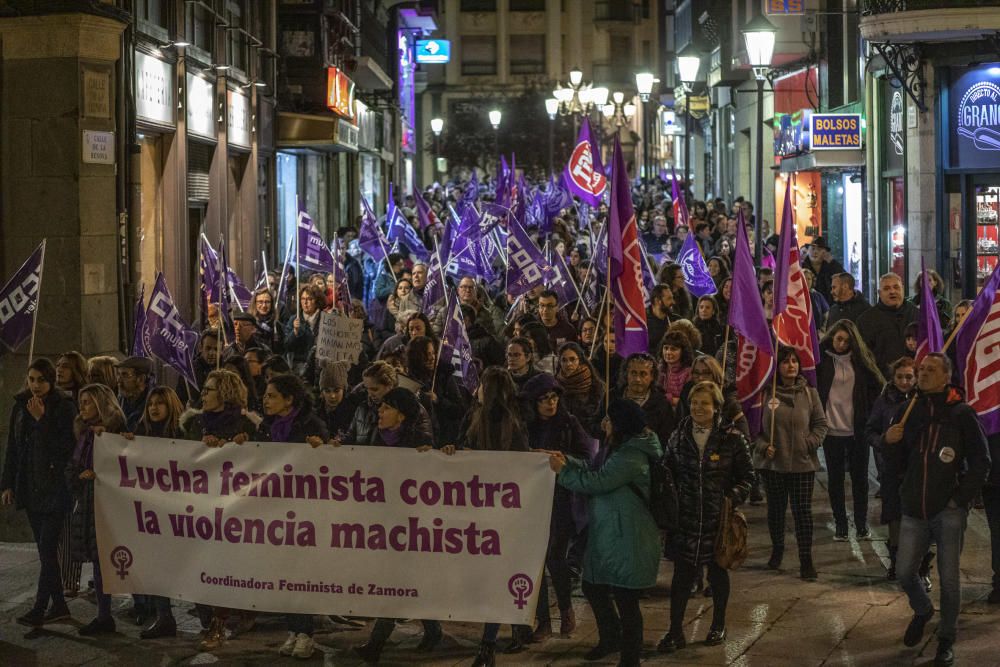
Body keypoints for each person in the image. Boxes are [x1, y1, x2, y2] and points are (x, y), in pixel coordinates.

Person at [884, 353, 990, 666]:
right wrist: (889, 442)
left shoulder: (961, 413)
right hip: (914, 508)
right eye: (921, 369)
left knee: (949, 578)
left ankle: (946, 637)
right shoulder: (908, 410)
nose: (924, 373)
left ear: (946, 376)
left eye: (931, 369)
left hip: (948, 510)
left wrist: (960, 498)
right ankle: (922, 609)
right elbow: (895, 462)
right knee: (904, 571)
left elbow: (981, 461)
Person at [548, 399, 663, 667]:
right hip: (609, 534)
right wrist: (567, 460)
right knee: (592, 586)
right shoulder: (616, 448)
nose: (604, 424)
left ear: (621, 424)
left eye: (609, 419)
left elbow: (597, 482)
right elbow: (593, 468)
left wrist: (562, 473)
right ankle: (611, 637)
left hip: (629, 537)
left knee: (626, 599)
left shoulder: (632, 455)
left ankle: (630, 658)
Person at [658, 381, 755, 654]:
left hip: (717, 521)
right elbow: (667, 470)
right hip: (685, 520)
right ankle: (675, 630)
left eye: (704, 403)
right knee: (681, 578)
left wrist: (731, 498)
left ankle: (718, 624)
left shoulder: (732, 438)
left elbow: (749, 477)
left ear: (716, 407)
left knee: (717, 573)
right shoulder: (679, 436)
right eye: (694, 403)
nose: (699, 408)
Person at [455, 368, 532, 664]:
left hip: (497, 512)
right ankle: (515, 629)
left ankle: (488, 644)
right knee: (499, 576)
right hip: (494, 512)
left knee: (496, 578)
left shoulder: (504, 423)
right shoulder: (480, 419)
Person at [184, 370, 260, 649]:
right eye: (203, 389)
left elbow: (257, 461)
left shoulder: (246, 425)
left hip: (234, 506)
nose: (202, 394)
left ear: (225, 393)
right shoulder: (194, 424)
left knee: (222, 564)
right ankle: (213, 618)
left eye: (209, 389)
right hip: (200, 504)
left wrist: (234, 447)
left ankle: (218, 623)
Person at [256, 373, 329, 659]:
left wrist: (321, 449)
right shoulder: (265, 427)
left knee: (301, 574)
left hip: (304, 512)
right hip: (275, 511)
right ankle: (293, 629)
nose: (265, 399)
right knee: (283, 573)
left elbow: (331, 463)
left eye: (272, 395)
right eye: (265, 394)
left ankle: (306, 632)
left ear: (290, 400)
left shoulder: (311, 426)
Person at [2, 359, 77, 628]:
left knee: (47, 551)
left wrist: (42, 420)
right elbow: (13, 447)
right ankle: (59, 606)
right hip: (30, 487)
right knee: (45, 552)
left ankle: (39, 607)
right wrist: (7, 484)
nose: (35, 385)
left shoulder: (63, 406)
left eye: (41, 380)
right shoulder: (20, 405)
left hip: (54, 488)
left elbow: (64, 446)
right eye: (31, 379)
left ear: (50, 382)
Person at [520, 374, 592, 642]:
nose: (551, 403)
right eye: (544, 399)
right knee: (535, 561)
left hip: (561, 501)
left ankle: (565, 609)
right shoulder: (525, 425)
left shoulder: (569, 423)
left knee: (554, 557)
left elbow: (587, 457)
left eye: (554, 397)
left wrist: (565, 460)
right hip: (531, 501)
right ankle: (543, 622)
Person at [754, 346, 829, 580]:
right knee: (776, 511)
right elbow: (753, 427)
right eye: (785, 362)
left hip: (801, 464)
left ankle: (806, 559)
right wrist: (763, 446)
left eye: (794, 362)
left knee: (802, 512)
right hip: (773, 464)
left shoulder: (809, 393)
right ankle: (777, 550)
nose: (791, 366)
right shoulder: (765, 393)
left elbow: (820, 423)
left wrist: (811, 442)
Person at [123, 386, 186, 639]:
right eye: (151, 404)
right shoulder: (140, 434)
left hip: (181, 511)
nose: (154, 408)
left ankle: (208, 619)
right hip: (153, 512)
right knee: (158, 564)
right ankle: (164, 616)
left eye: (160, 403)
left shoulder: (183, 434)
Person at [66, 383, 126, 635]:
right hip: (91, 505)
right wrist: (82, 476)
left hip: (113, 508)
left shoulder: (117, 433)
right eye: (81, 401)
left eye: (88, 401)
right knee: (100, 563)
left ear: (101, 404)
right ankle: (103, 615)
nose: (82, 407)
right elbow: (72, 469)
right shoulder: (85, 435)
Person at [817, 320, 885, 540]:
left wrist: (869, 416)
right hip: (832, 430)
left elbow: (878, 386)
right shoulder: (823, 361)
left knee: (860, 479)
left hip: (857, 429)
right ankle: (841, 525)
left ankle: (861, 523)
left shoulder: (861, 362)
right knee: (835, 480)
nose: (841, 343)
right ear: (831, 337)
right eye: (838, 338)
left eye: (846, 340)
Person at [865, 356, 917, 581]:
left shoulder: (921, 401)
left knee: (915, 520)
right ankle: (896, 562)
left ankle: (918, 566)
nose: (904, 381)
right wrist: (884, 440)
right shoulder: (884, 401)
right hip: (891, 470)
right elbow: (870, 430)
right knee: (895, 518)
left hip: (915, 471)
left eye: (909, 377)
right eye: (900, 377)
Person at [857, 273, 919, 375]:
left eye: (896, 287)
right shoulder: (866, 320)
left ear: (902, 289)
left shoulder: (917, 315)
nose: (892, 291)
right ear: (879, 293)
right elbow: (863, 357)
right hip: (880, 381)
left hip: (913, 379)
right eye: (886, 288)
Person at [617, 352, 676, 447]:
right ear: (626, 374)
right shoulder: (613, 396)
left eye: (643, 374)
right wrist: (603, 427)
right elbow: (594, 426)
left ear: (652, 376)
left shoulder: (661, 404)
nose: (637, 379)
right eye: (633, 373)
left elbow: (667, 439)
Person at [555, 342, 606, 438]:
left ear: (580, 360)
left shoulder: (597, 387)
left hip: (589, 438)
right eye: (564, 360)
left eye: (572, 359)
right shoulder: (555, 386)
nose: (568, 364)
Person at [285, 285, 326, 374]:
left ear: (317, 301)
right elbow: (286, 345)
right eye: (303, 299)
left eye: (309, 299)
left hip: (321, 365)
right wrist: (294, 332)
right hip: (300, 364)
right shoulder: (294, 319)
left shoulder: (325, 319)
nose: (305, 302)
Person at [177, 329, 220, 406]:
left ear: (222, 349)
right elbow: (179, 399)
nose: (212, 353)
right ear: (200, 347)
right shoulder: (189, 371)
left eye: (216, 349)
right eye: (208, 348)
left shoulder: (227, 369)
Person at [657, 330, 694, 408]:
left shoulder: (689, 372)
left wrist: (666, 398)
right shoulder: (659, 368)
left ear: (683, 351)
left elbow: (687, 402)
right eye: (666, 348)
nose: (668, 352)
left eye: (673, 349)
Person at [116, 356, 154, 432]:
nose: (118, 380)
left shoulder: (155, 400)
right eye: (118, 374)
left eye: (124, 375)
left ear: (141, 379)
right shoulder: (121, 398)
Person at [646, 284, 674, 352]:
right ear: (657, 301)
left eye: (672, 298)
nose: (673, 302)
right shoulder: (643, 322)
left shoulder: (676, 320)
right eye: (669, 298)